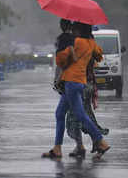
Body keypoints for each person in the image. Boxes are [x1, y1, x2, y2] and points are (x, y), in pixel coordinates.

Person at [42, 22, 110, 160]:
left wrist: (61, 48)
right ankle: (57, 148)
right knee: (60, 113)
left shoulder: (76, 41)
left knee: (80, 115)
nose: (73, 30)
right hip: (80, 81)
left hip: (71, 81)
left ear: (79, 29)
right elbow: (99, 55)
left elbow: (61, 60)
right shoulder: (91, 43)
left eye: (75, 28)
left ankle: (101, 141)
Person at [66, 47, 109, 158]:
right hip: (87, 85)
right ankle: (83, 146)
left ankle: (99, 143)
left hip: (81, 86)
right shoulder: (90, 46)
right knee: (85, 116)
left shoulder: (80, 47)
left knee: (76, 118)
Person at [53, 19, 76, 94]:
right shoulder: (75, 38)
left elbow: (61, 63)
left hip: (64, 70)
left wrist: (57, 80)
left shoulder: (61, 38)